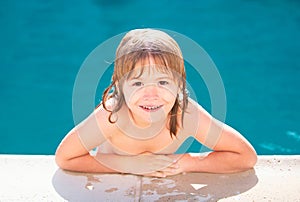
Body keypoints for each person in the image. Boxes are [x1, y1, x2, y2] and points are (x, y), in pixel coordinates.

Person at [55, 28, 257, 178]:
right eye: (138, 83)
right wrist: (128, 164)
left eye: (162, 82)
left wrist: (187, 162)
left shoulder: (185, 115)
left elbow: (245, 156)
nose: (151, 94)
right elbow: (65, 158)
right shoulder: (114, 115)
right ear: (119, 86)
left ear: (179, 84)